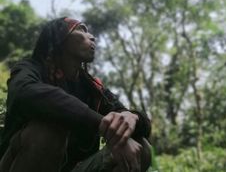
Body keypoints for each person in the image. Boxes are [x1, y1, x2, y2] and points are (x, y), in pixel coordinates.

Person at [0, 17, 151, 172]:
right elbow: (24, 92)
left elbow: (128, 118)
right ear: (59, 37)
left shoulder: (92, 87)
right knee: (48, 132)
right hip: (17, 163)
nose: (92, 37)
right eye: (81, 29)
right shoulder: (31, 69)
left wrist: (132, 118)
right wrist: (102, 124)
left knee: (142, 148)